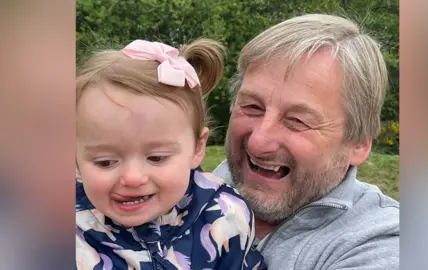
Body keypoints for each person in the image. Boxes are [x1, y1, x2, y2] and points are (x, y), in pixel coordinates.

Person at [213, 14, 400, 269]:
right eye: (252, 107)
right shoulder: (176, 196)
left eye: (297, 121)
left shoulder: (381, 244)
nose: (258, 142)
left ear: (359, 144)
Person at [75, 39, 266, 269]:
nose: (133, 178)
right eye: (105, 162)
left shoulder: (224, 216)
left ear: (197, 148)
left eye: (156, 158)